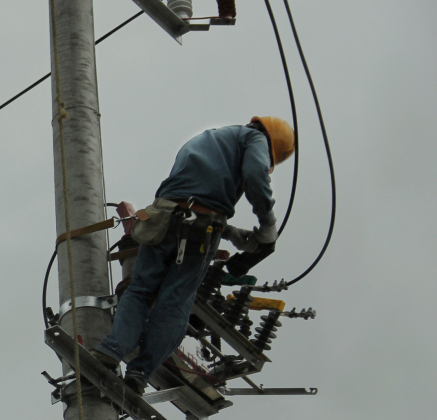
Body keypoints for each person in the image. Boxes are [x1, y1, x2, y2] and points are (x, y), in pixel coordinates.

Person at [92, 116, 295, 394]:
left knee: (139, 291)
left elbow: (190, 195)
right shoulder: (255, 139)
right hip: (201, 230)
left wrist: (229, 231)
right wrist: (268, 225)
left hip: (161, 219)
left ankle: (110, 350)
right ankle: (140, 371)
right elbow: (254, 175)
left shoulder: (208, 138)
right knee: (174, 303)